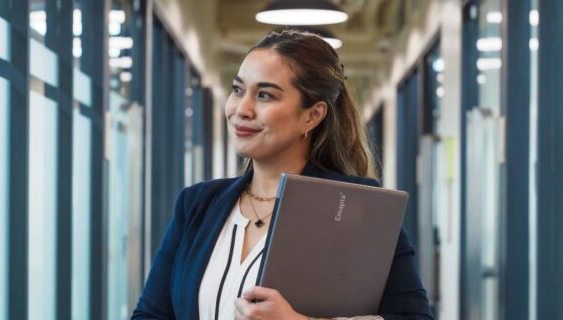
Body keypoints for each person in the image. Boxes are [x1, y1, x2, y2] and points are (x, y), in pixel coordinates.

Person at [132, 27, 433, 320]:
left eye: (265, 95)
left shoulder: (359, 207)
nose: (242, 109)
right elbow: (150, 314)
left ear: (312, 115)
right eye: (238, 90)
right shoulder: (198, 204)